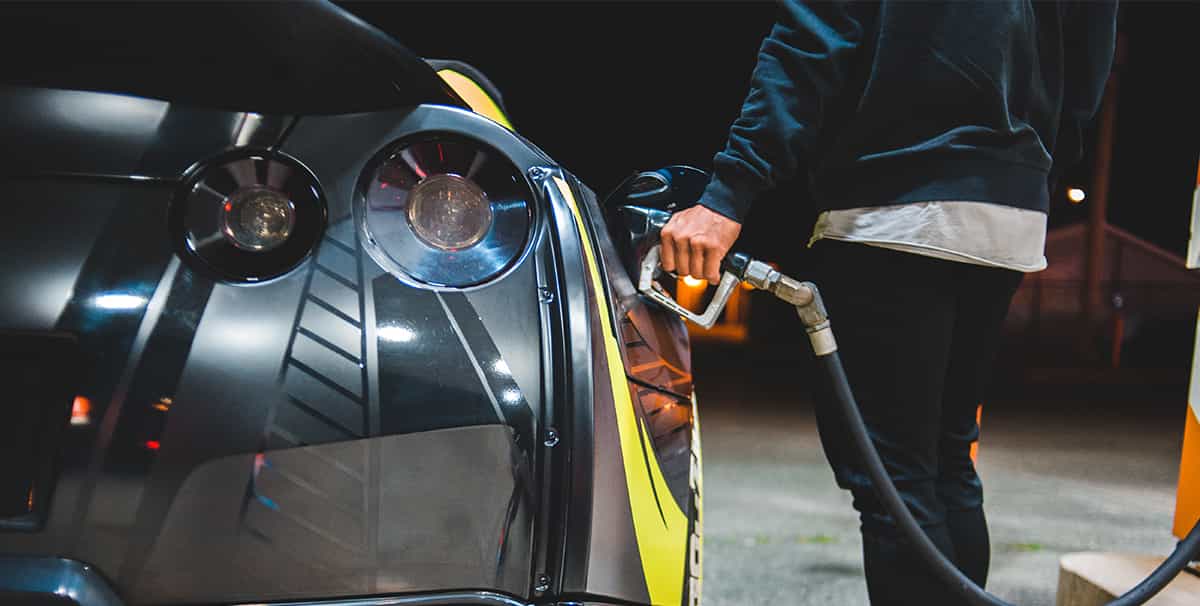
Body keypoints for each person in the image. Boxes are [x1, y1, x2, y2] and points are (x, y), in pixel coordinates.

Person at [659, 1, 1118, 603]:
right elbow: (1090, 49)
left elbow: (813, 37)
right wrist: (1034, 164)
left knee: (893, 481)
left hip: (896, 198)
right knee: (947, 461)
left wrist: (728, 193)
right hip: (1010, 205)